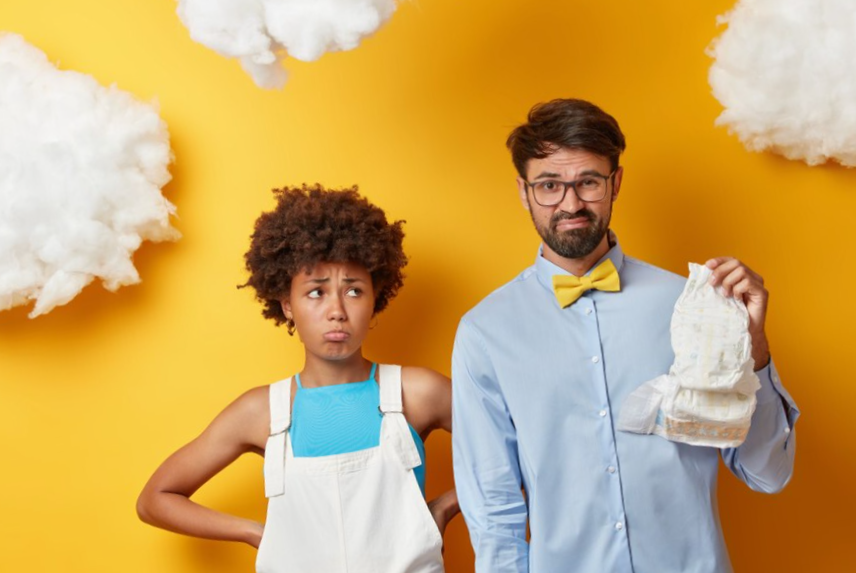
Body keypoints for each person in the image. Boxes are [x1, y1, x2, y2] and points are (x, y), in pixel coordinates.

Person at [451, 99, 799, 573]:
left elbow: (769, 474)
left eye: (588, 182)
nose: (570, 204)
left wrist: (753, 351)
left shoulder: (692, 304)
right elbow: (494, 512)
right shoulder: (485, 332)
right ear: (523, 190)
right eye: (549, 185)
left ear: (615, 182)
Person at [138, 184, 458, 572]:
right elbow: (155, 499)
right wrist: (254, 533)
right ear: (287, 305)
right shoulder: (262, 412)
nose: (337, 311)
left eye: (354, 291)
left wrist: (445, 506)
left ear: (376, 299)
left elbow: (525, 447)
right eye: (316, 292)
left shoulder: (418, 393)